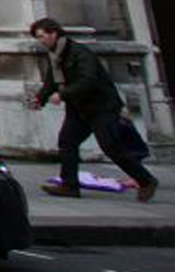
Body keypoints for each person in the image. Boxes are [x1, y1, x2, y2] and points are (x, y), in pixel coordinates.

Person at [29, 16, 158, 202]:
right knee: (67, 142)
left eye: (41, 36)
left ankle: (146, 180)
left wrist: (63, 95)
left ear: (53, 34)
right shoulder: (55, 54)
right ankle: (69, 185)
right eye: (37, 37)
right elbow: (52, 80)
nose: (40, 41)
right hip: (78, 108)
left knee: (110, 146)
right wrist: (40, 99)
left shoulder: (79, 53)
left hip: (101, 107)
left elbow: (89, 80)